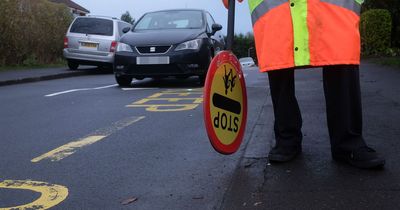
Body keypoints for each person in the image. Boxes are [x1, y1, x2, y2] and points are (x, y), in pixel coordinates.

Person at [222, 0, 385, 169]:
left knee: (341, 61)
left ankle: (347, 143)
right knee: (279, 67)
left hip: (333, 11)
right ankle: (287, 139)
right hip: (278, 13)